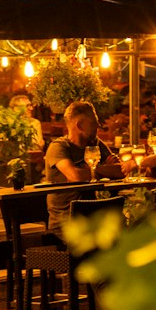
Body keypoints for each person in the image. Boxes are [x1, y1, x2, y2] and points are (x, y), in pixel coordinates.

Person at [44, 99, 123, 235]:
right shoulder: (59, 147)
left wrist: (93, 170)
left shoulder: (96, 144)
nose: (98, 126)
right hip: (67, 221)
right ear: (80, 125)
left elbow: (121, 170)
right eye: (93, 123)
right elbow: (75, 176)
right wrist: (104, 169)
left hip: (93, 215)